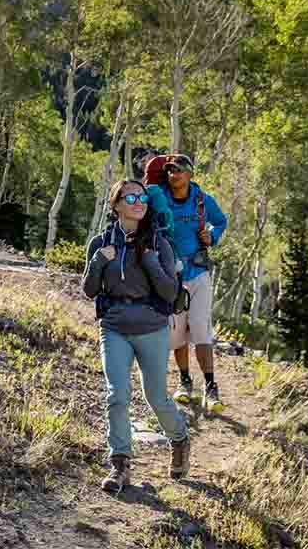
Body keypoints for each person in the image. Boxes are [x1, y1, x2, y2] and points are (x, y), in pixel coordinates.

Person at [82, 179, 189, 493]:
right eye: (130, 197)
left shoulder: (159, 244)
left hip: (152, 329)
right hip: (113, 328)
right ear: (116, 205)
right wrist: (99, 261)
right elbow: (89, 291)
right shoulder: (100, 242)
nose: (138, 201)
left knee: (156, 397)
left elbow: (170, 293)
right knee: (116, 395)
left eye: (142, 197)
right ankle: (120, 465)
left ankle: (180, 439)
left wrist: (151, 263)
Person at [146, 154, 229, 412]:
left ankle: (211, 387)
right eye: (170, 171)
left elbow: (221, 221)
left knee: (201, 328)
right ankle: (184, 382)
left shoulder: (202, 200)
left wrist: (211, 237)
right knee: (178, 332)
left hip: (199, 273)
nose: (174, 175)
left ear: (190, 174)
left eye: (179, 171)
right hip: (172, 275)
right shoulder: (160, 197)